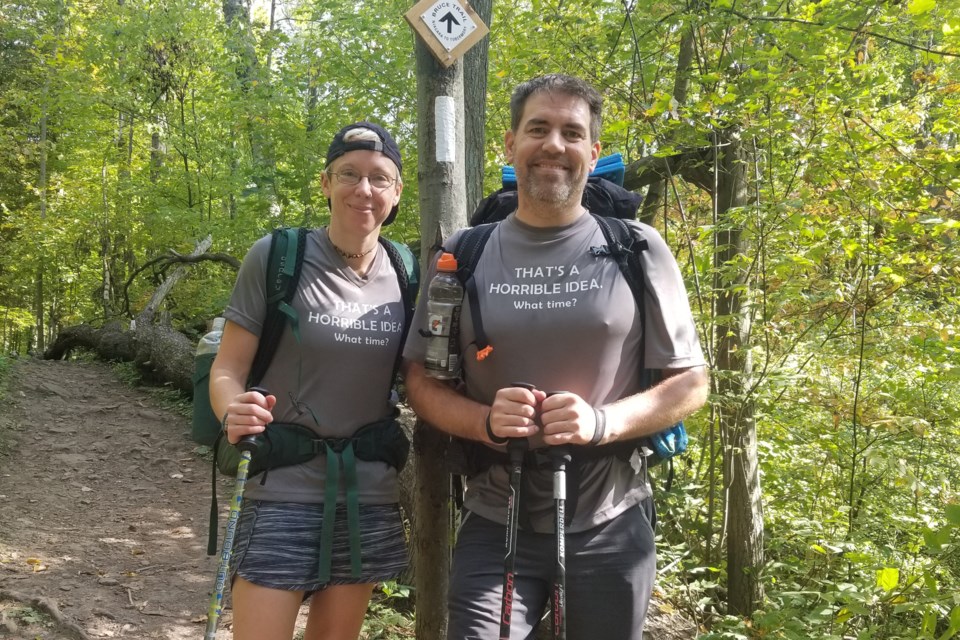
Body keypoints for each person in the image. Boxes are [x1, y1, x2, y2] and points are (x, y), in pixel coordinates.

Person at [403, 74, 709, 639]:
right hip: (496, 516)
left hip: (611, 521)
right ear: (510, 144)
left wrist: (603, 421)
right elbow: (421, 379)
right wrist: (483, 422)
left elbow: (690, 381)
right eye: (537, 128)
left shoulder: (636, 247)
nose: (553, 145)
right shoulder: (461, 255)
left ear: (593, 152)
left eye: (572, 132)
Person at [209, 121, 411, 640]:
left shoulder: (408, 271)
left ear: (396, 192)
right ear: (325, 183)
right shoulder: (278, 257)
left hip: (368, 493)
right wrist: (233, 410)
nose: (363, 189)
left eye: (378, 178)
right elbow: (227, 368)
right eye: (349, 174)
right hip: (281, 486)